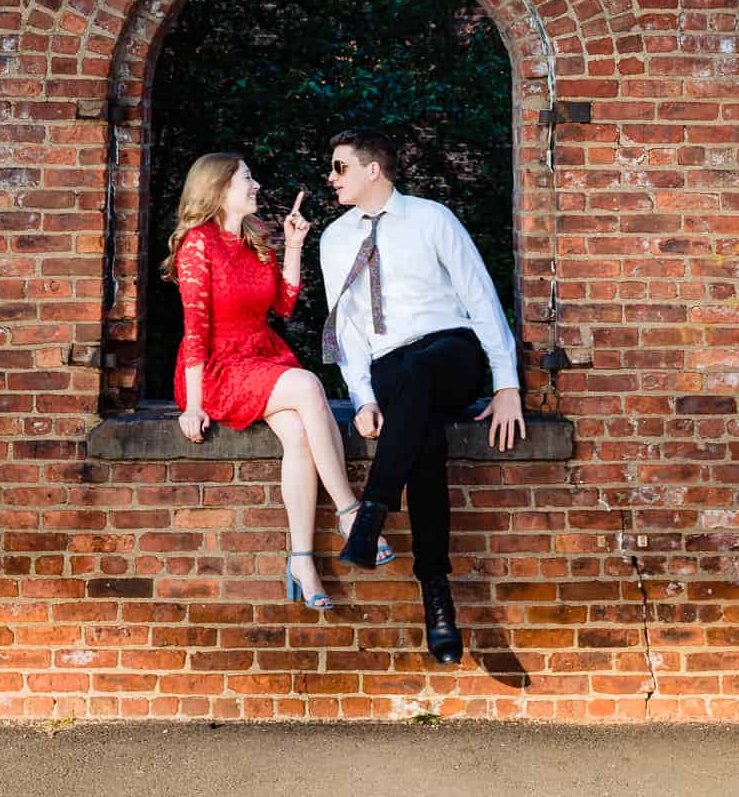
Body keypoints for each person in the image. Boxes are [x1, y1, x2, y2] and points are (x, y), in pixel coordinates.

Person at [320, 132, 525, 664]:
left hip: (450, 352)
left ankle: (372, 513)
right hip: (393, 370)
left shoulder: (432, 218)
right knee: (423, 438)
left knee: (419, 372)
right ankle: (438, 596)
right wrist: (362, 398)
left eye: (340, 167)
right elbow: (349, 330)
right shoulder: (335, 239)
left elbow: (480, 295)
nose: (331, 177)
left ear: (374, 170)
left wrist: (506, 385)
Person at [163, 151, 394, 609]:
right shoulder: (197, 245)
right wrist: (192, 405)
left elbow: (284, 306)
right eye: (247, 179)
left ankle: (302, 559)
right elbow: (194, 330)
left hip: (261, 358)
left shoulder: (254, 237)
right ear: (219, 187)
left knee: (300, 437)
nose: (257, 186)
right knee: (308, 385)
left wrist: (293, 246)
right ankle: (351, 513)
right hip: (218, 369)